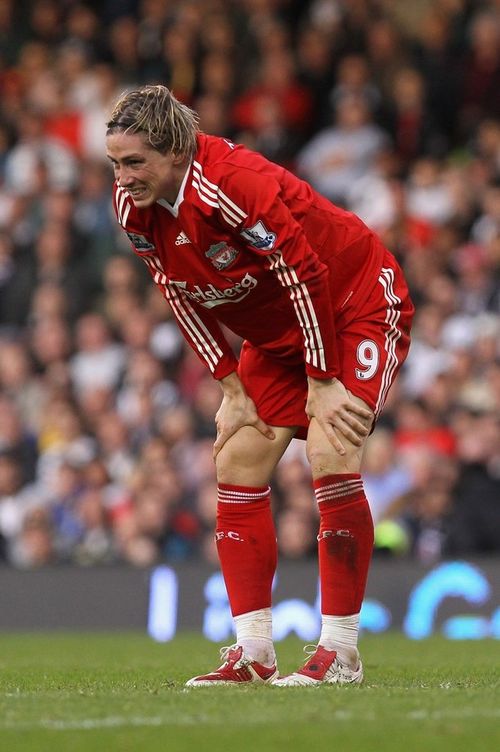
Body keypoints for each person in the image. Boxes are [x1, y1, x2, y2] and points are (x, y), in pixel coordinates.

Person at [106, 85, 414, 687]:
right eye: (115, 163)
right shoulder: (133, 208)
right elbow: (177, 291)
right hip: (278, 331)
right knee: (237, 456)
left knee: (331, 445)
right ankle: (253, 653)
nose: (123, 177)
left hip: (353, 301)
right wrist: (229, 386)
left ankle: (340, 652)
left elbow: (305, 275)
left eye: (135, 162)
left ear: (175, 151)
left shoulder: (233, 185)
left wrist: (322, 380)